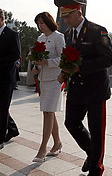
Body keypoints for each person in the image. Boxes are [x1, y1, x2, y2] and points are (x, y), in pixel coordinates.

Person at [54, 0, 112, 176]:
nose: (65, 20)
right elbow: (69, 59)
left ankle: (96, 167)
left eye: (68, 16)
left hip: (95, 89)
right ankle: (91, 153)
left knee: (96, 130)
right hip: (77, 88)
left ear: (78, 13)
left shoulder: (97, 31)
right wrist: (65, 72)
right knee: (71, 123)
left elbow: (107, 59)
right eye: (63, 17)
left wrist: (82, 66)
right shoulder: (69, 34)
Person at [31, 12, 65, 163]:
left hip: (55, 80)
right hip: (43, 79)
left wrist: (47, 62)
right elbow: (36, 58)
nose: (40, 26)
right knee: (48, 111)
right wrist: (35, 66)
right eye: (38, 23)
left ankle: (42, 148)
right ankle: (57, 143)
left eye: (42, 22)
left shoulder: (58, 37)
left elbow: (64, 58)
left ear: (49, 22)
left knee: (48, 112)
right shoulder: (40, 38)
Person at [0, 8, 21, 153]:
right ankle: (12, 129)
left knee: (4, 108)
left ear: (2, 18)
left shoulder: (12, 35)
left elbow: (15, 55)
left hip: (6, 77)